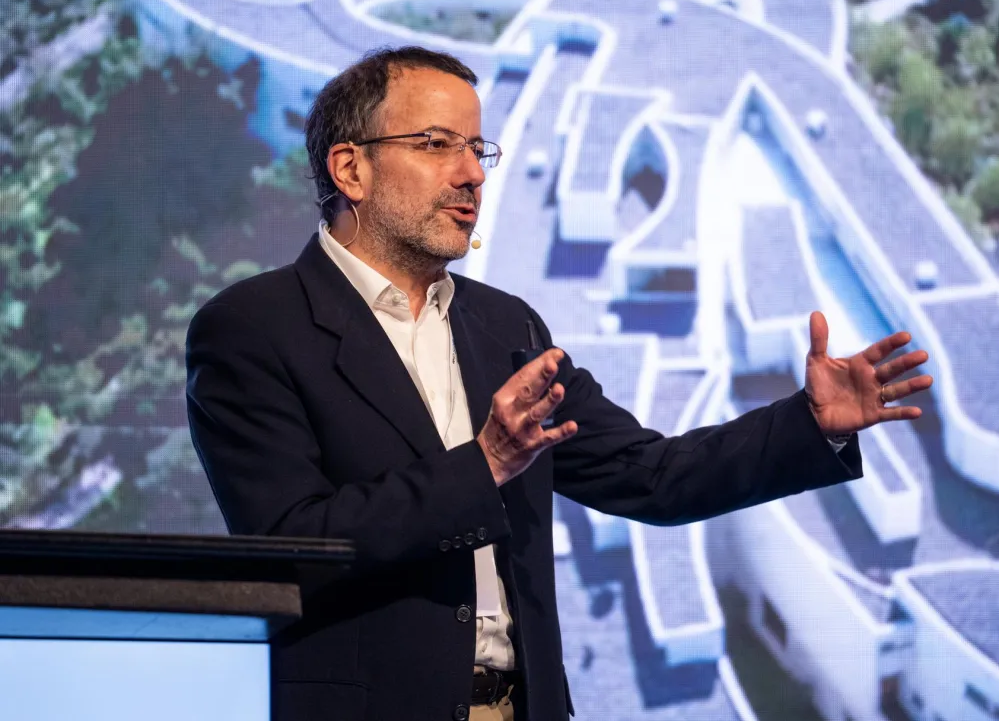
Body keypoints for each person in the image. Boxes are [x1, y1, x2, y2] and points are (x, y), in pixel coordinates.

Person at [185, 46, 933, 721]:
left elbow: (653, 474)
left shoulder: (505, 326)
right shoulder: (252, 328)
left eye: (477, 149)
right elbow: (291, 547)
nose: (473, 174)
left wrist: (808, 423)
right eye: (437, 144)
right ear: (351, 169)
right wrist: (482, 466)